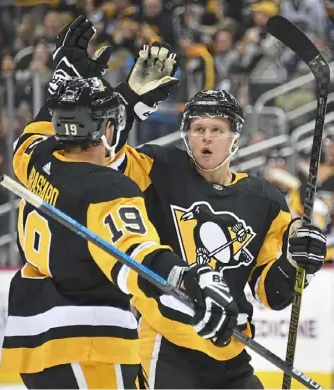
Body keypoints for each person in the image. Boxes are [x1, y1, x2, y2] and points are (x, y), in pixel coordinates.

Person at [30, 17, 327, 390]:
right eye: (197, 128)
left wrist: (298, 263)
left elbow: (274, 293)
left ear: (235, 139)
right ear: (185, 134)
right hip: (165, 346)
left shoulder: (265, 199)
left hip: (232, 351)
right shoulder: (158, 166)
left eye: (216, 130)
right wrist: (127, 100)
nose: (206, 138)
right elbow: (100, 159)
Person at [0, 19, 239, 390]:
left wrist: (74, 81)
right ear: (107, 129)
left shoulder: (31, 155)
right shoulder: (110, 187)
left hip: (33, 338)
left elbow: (49, 125)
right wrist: (193, 279)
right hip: (88, 339)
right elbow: (136, 254)